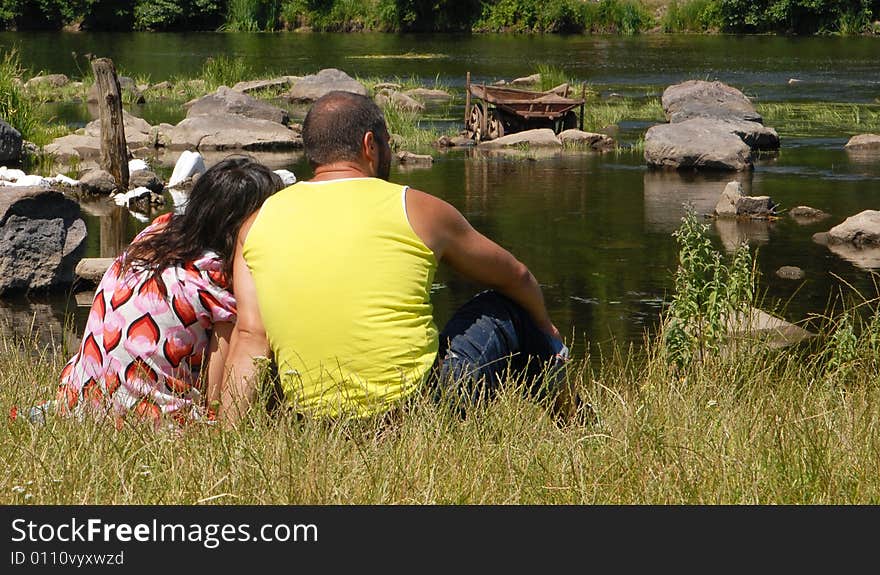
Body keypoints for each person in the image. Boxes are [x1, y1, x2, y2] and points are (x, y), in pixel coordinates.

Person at [220, 91, 574, 424]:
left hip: (317, 422)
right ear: (369, 145)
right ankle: (576, 423)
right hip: (418, 416)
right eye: (387, 142)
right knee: (505, 307)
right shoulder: (416, 209)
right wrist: (545, 327)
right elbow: (517, 276)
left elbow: (251, 337)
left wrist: (226, 438)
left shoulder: (256, 223)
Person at [55, 156, 283, 427]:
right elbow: (218, 394)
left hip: (79, 404)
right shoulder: (216, 277)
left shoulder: (155, 231)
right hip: (150, 423)